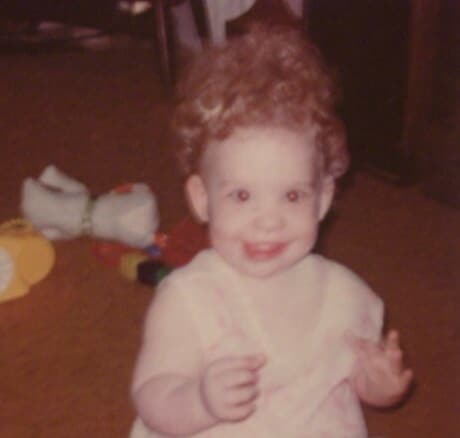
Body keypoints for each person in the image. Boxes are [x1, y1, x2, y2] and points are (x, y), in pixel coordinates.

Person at [130, 24, 413, 437]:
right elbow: (152, 394)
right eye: (242, 196)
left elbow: (354, 382)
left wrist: (380, 387)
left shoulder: (343, 295)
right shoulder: (189, 300)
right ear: (202, 198)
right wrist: (200, 401)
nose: (269, 220)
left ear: (323, 198)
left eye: (293, 196)